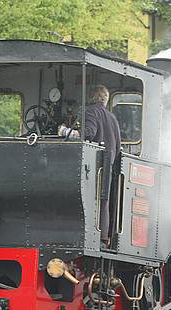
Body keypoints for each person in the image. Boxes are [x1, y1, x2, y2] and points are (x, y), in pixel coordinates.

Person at [61, 85, 121, 247]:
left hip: (92, 165)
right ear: (105, 99)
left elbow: (88, 132)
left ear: (90, 97)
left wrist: (65, 131)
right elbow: (118, 144)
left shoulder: (90, 111)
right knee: (104, 200)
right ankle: (102, 236)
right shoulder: (112, 118)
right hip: (108, 163)